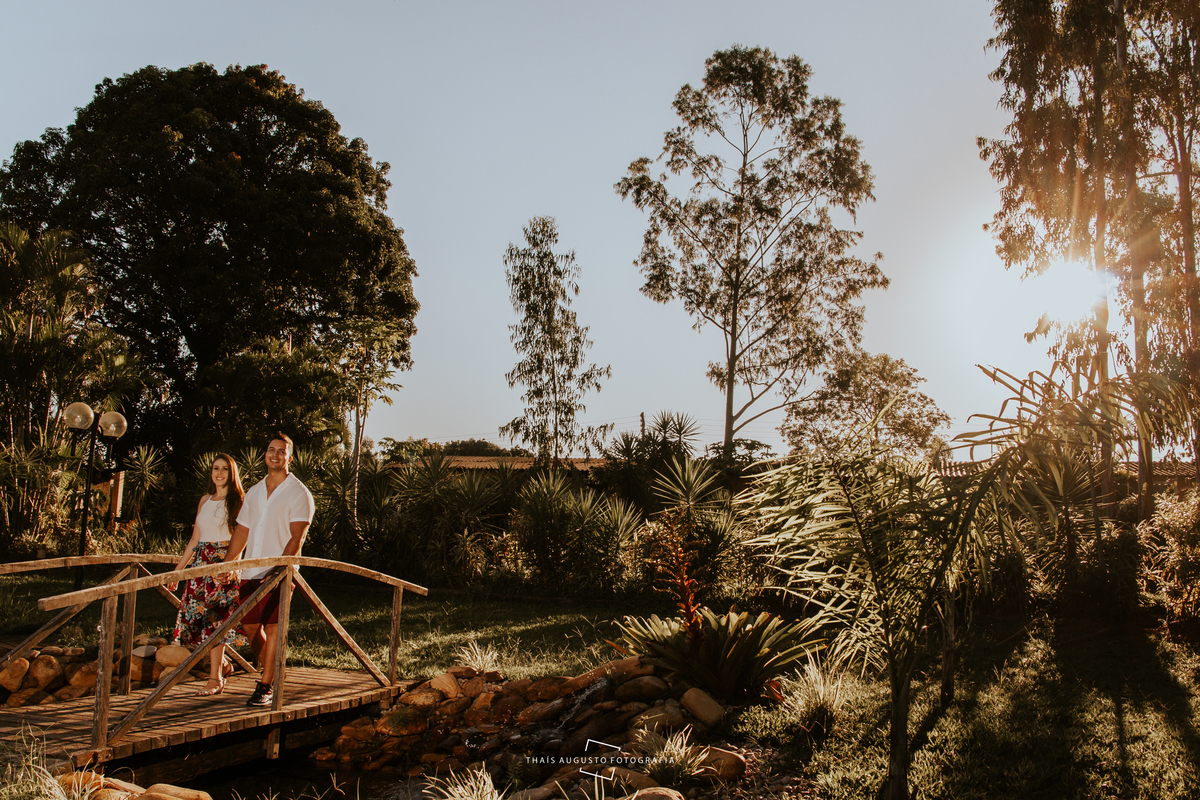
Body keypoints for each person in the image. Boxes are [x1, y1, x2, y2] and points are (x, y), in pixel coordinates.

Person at [220, 432, 314, 708]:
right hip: (251, 570)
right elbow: (242, 530)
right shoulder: (255, 491)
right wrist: (229, 562)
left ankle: (265, 685)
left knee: (273, 628)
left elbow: (297, 537)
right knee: (250, 627)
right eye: (271, 449)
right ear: (265, 454)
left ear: (289, 458)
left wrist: (280, 572)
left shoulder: (299, 493)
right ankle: (274, 673)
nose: (275, 454)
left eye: (281, 451)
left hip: (280, 572)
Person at [167, 453, 247, 696]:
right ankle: (223, 664)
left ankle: (215, 679)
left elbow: (242, 537)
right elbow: (195, 539)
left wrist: (230, 567)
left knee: (215, 620)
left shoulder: (238, 500)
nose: (219, 473)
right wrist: (178, 571)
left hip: (223, 563)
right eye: (215, 468)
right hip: (201, 563)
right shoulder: (205, 500)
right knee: (197, 619)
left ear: (231, 473)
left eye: (224, 469)